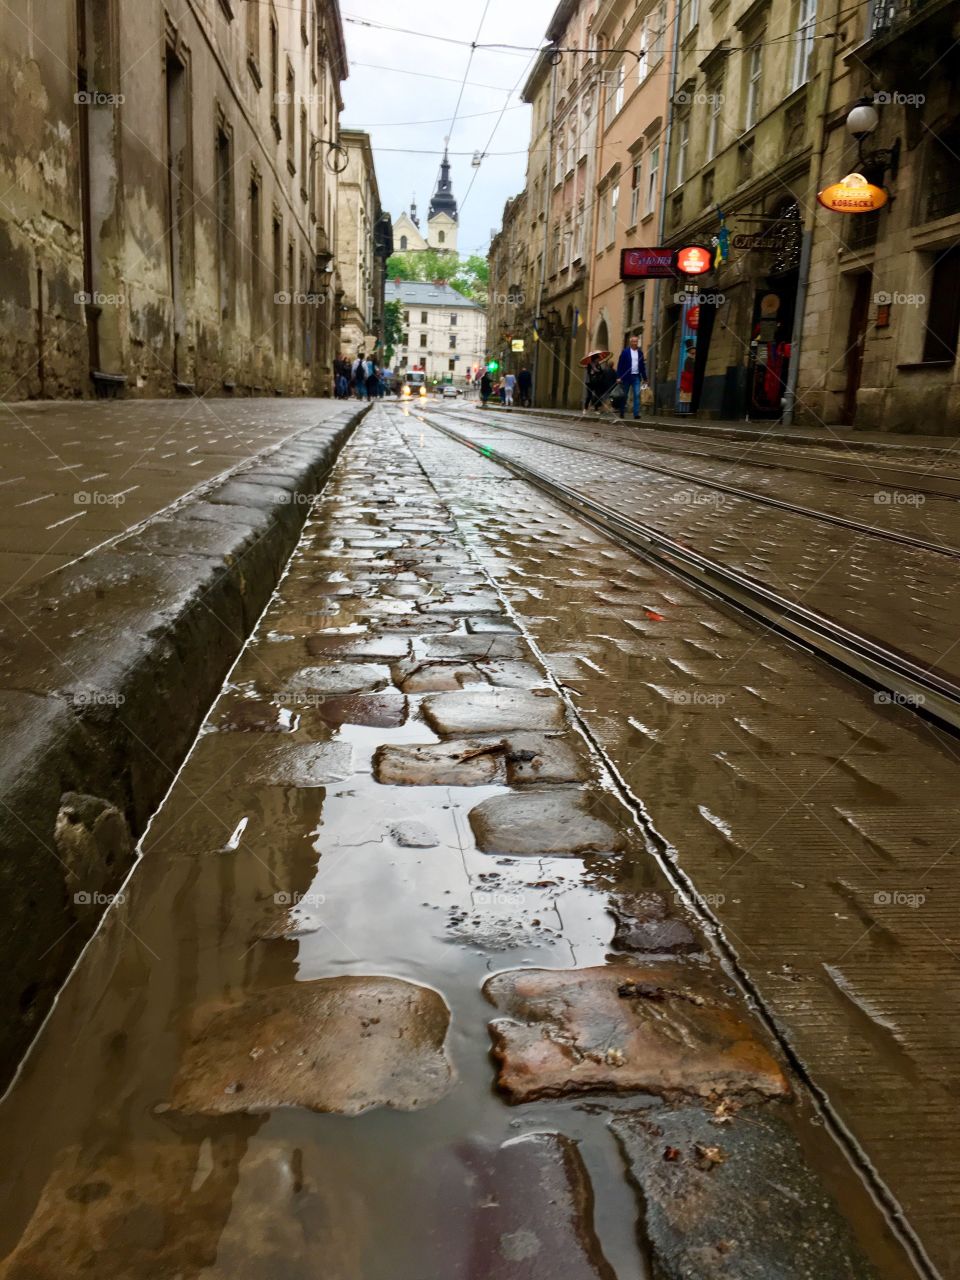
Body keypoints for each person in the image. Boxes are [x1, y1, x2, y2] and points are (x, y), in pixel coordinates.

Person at [615, 334, 648, 421]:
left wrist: (645, 378)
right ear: (630, 342)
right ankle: (622, 412)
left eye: (636, 341)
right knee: (624, 395)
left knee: (637, 394)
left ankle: (636, 413)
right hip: (626, 377)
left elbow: (642, 367)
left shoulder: (640, 353)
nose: (635, 343)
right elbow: (620, 365)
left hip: (636, 377)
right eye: (633, 341)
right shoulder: (625, 352)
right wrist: (619, 377)